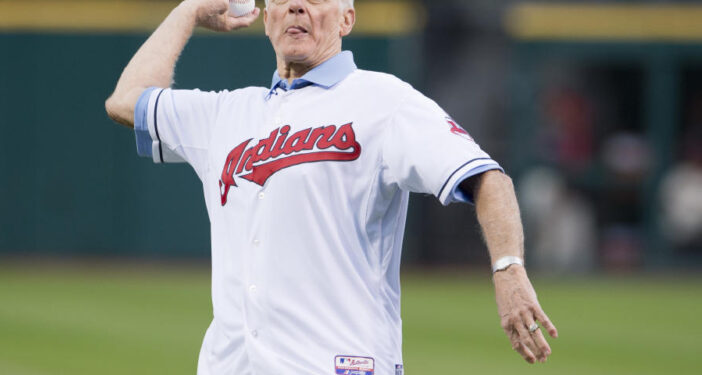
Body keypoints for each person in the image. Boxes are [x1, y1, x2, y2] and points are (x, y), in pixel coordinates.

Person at [105, 0, 558, 373]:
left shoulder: (384, 102)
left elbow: (486, 177)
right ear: (267, 20)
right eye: (282, 0)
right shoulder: (226, 115)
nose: (296, 6)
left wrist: (509, 270)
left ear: (347, 19)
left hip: (339, 363)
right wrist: (186, 12)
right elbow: (126, 101)